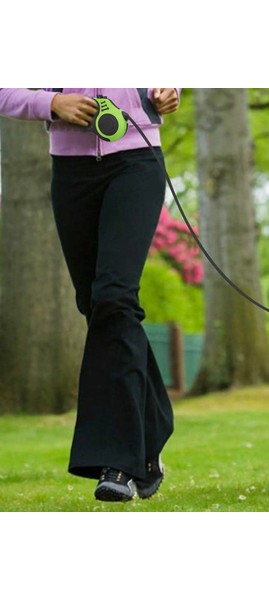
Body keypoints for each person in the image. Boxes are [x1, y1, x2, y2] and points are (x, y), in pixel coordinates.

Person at [0, 88, 180, 502]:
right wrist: (50, 104)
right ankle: (150, 434)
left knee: (115, 296)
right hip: (71, 171)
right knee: (100, 307)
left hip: (137, 160)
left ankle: (118, 464)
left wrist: (167, 89)